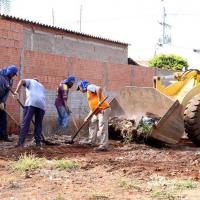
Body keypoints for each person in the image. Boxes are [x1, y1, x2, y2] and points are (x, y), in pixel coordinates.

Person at [77, 80, 110, 151]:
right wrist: (87, 117)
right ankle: (91, 141)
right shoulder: (88, 93)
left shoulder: (89, 87)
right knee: (92, 124)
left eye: (79, 88)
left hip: (103, 109)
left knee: (102, 127)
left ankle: (103, 146)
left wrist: (99, 100)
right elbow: (93, 108)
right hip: (96, 111)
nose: (79, 90)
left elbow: (99, 88)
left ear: (82, 86)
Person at [14, 78, 46, 147]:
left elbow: (22, 81)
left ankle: (21, 143)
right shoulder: (42, 86)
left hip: (31, 102)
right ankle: (38, 143)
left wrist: (16, 92)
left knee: (25, 123)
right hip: (42, 105)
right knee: (38, 124)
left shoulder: (31, 81)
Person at [0, 65, 18, 142]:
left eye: (15, 74)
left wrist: (3, 102)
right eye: (13, 74)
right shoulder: (1, 77)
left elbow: (7, 92)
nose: (14, 76)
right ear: (10, 72)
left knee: (3, 118)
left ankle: (3, 137)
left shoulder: (10, 80)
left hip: (1, 100)